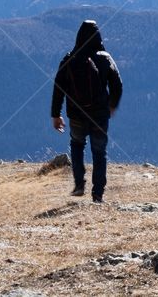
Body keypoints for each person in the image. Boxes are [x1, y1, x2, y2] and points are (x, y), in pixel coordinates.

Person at [51, 20, 123, 203]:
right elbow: (117, 84)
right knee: (99, 152)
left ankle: (79, 184)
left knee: (77, 145)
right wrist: (112, 104)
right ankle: (98, 194)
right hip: (99, 114)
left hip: (75, 114)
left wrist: (56, 114)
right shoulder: (105, 58)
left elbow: (58, 88)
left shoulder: (69, 59)